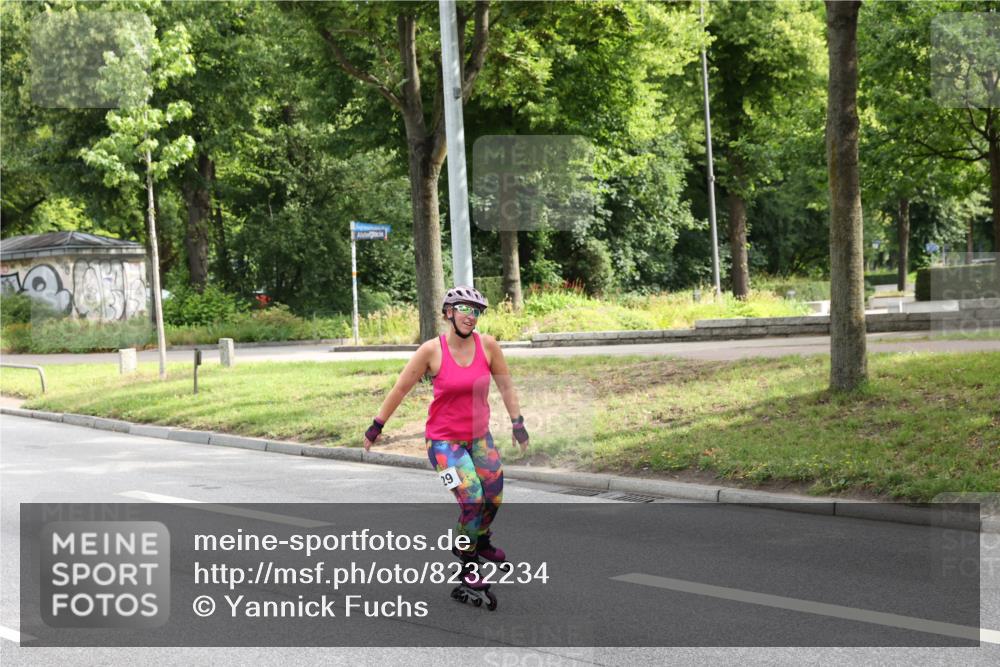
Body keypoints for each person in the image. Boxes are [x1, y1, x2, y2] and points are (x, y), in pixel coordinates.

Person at [363, 285, 529, 589]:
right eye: (464, 309)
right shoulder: (431, 351)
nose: (471, 316)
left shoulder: (488, 346)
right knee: (472, 499)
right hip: (442, 445)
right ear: (449, 313)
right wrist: (376, 426)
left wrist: (518, 424)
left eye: (476, 311)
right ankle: (467, 562)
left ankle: (480, 539)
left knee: (494, 495)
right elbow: (400, 389)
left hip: (479, 439)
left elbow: (506, 386)